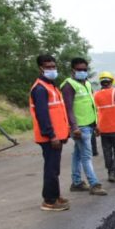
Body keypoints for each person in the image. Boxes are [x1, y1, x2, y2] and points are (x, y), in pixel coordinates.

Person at [30, 54, 70, 211]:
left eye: (53, 66)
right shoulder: (40, 89)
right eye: (48, 67)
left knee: (55, 168)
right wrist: (52, 135)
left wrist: (63, 134)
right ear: (40, 68)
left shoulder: (51, 86)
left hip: (57, 135)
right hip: (49, 137)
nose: (52, 69)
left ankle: (55, 194)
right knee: (51, 169)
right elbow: (43, 115)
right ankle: (49, 200)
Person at [61, 58, 106, 196]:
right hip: (80, 127)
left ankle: (76, 182)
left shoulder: (86, 83)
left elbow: (91, 105)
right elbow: (68, 108)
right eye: (79, 69)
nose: (82, 72)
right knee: (87, 156)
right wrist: (74, 127)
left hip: (89, 125)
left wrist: (96, 124)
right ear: (73, 70)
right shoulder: (68, 86)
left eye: (85, 69)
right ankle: (94, 184)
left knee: (78, 155)